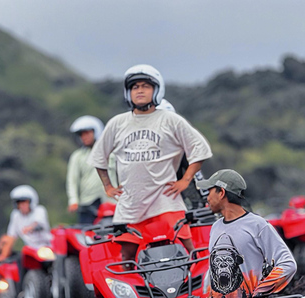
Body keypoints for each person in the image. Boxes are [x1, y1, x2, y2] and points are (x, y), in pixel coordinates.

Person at [88, 64, 212, 264]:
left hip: (168, 202)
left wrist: (198, 195)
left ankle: (201, 278)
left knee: (188, 245)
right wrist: (108, 187)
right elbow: (98, 157)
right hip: (132, 204)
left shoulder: (174, 127)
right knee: (127, 255)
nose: (140, 90)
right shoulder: (118, 124)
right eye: (135, 87)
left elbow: (199, 179)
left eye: (145, 86)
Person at [191, 169, 296, 298]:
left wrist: (260, 293)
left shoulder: (258, 225)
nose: (206, 197)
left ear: (221, 192)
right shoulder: (215, 227)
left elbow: (288, 264)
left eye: (209, 191)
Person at [66, 115, 112, 225]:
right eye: (81, 134)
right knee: (86, 237)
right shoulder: (77, 156)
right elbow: (72, 181)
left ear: (96, 132)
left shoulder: (111, 153)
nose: (84, 137)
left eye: (87, 133)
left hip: (111, 203)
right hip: (87, 205)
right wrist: (73, 201)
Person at [0, 185, 53, 267]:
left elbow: (39, 223)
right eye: (19, 203)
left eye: (25, 202)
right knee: (19, 261)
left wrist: (30, 228)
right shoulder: (16, 216)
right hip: (31, 250)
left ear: (31, 202)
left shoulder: (39, 210)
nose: (22, 205)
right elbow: (11, 237)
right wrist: (3, 255)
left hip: (47, 247)